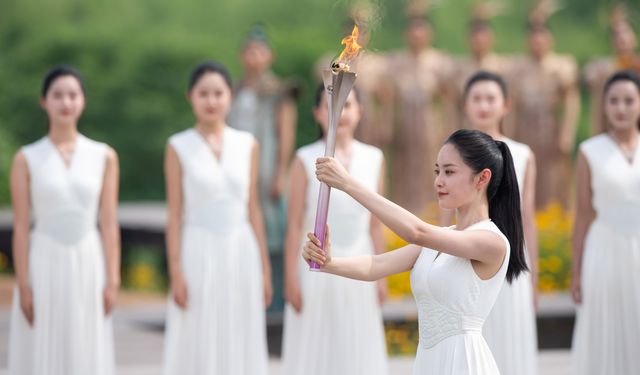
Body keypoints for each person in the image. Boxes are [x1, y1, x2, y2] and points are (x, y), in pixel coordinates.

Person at [304, 128, 529, 375]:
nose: (439, 181)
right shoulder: (440, 241)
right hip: (428, 363)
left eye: (449, 172)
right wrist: (328, 262)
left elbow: (416, 232)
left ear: (482, 178)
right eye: (437, 171)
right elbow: (375, 266)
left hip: (464, 363)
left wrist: (348, 184)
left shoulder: (492, 241)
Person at [8, 65, 120, 375]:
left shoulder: (103, 156)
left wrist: (113, 278)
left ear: (83, 100)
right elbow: (20, 226)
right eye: (58, 96)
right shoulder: (27, 158)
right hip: (44, 259)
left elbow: (109, 222)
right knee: (43, 343)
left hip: (88, 258)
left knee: (85, 345)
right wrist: (24, 284)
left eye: (73, 95)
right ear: (44, 101)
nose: (66, 103)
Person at [162, 61, 272, 375]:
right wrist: (176, 271)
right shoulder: (178, 146)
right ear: (190, 97)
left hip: (241, 249)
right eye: (203, 93)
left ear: (230, 96)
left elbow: (253, 208)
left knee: (240, 328)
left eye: (218, 93)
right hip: (197, 249)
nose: (211, 101)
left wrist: (264, 269)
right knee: (198, 329)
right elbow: (174, 215)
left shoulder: (247, 144)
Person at [281, 84, 388, 375]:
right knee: (315, 345)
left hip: (361, 263)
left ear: (360, 111)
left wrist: (381, 277)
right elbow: (293, 226)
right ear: (317, 112)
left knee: (357, 345)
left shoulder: (374, 158)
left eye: (347, 105)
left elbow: (375, 223)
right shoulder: (305, 159)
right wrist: (291, 278)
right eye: (330, 106)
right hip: (315, 264)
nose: (339, 113)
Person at [454, 71, 538, 375]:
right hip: (467, 258)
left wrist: (535, 275)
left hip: (512, 262)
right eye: (477, 98)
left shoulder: (523, 154)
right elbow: (445, 213)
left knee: (509, 344)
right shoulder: (454, 154)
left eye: (491, 98)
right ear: (466, 104)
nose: (484, 105)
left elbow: (526, 218)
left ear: (506, 105)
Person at [570, 70, 640, 375]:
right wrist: (576, 271)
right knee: (605, 327)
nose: (621, 108)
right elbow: (583, 214)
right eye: (614, 101)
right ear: (604, 106)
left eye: (628, 100)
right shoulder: (589, 150)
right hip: (604, 249)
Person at [506, 1, 580, 210]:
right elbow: (511, 107)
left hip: (550, 131)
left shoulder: (561, 66)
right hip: (525, 130)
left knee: (553, 181)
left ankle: (554, 224)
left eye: (542, 36)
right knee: (523, 178)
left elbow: (571, 102)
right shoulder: (517, 68)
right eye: (533, 37)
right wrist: (508, 136)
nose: (537, 41)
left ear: (550, 38)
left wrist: (566, 134)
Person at [385, 2, 454, 216]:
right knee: (403, 175)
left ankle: (432, 217)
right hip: (404, 130)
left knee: (430, 172)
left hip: (430, 130)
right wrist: (386, 125)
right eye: (412, 31)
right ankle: (403, 218)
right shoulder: (396, 62)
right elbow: (387, 98)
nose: (416, 36)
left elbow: (447, 100)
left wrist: (450, 130)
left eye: (421, 31)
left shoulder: (439, 62)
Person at [584, 3, 640, 135]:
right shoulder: (604, 67)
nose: (621, 38)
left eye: (626, 32)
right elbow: (589, 76)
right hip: (612, 132)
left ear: (634, 37)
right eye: (616, 34)